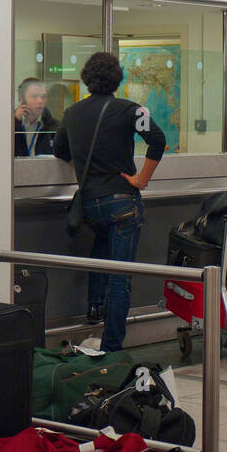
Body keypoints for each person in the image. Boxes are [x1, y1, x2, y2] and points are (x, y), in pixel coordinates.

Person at [56, 52, 166, 352]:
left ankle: (95, 309)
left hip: (91, 203)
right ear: (117, 78)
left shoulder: (72, 113)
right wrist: (142, 179)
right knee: (120, 278)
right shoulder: (130, 111)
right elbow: (158, 139)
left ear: (86, 78)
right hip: (122, 202)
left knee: (99, 252)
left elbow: (60, 150)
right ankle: (113, 345)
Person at [13, 77, 60, 156]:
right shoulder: (8, 124)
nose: (40, 101)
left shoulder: (55, 127)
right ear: (21, 99)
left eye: (43, 97)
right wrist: (15, 122)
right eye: (34, 96)